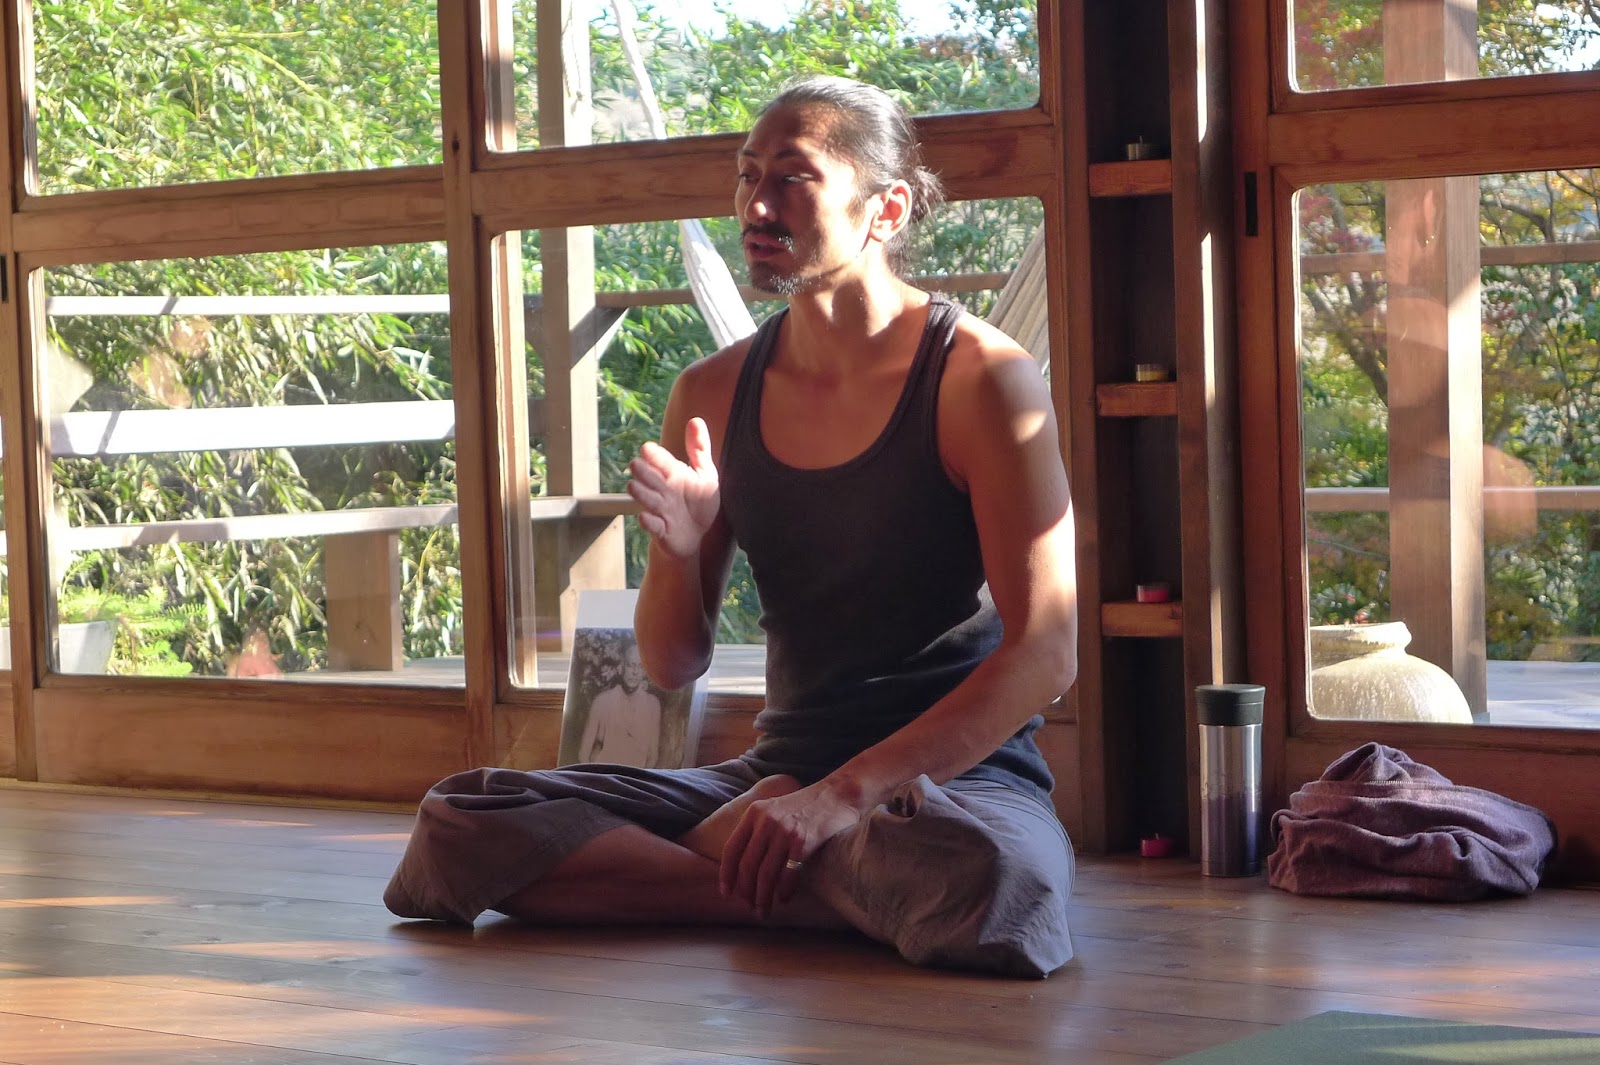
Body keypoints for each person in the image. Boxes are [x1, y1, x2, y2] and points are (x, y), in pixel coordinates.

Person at [384, 73, 1079, 978]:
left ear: (886, 209)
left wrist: (840, 798)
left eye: (792, 177)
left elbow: (1046, 652)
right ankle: (805, 884)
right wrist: (678, 551)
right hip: (773, 775)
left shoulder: (981, 379)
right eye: (748, 175)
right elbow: (673, 663)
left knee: (995, 885)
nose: (755, 204)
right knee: (458, 823)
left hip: (953, 787)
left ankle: (738, 864)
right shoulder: (711, 391)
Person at [576, 640, 663, 767]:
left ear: (645, 671)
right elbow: (583, 754)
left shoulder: (652, 705)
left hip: (634, 777)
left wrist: (639, 779)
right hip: (603, 775)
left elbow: (653, 756)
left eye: (640, 666)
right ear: (621, 667)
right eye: (630, 665)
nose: (635, 672)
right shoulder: (602, 701)